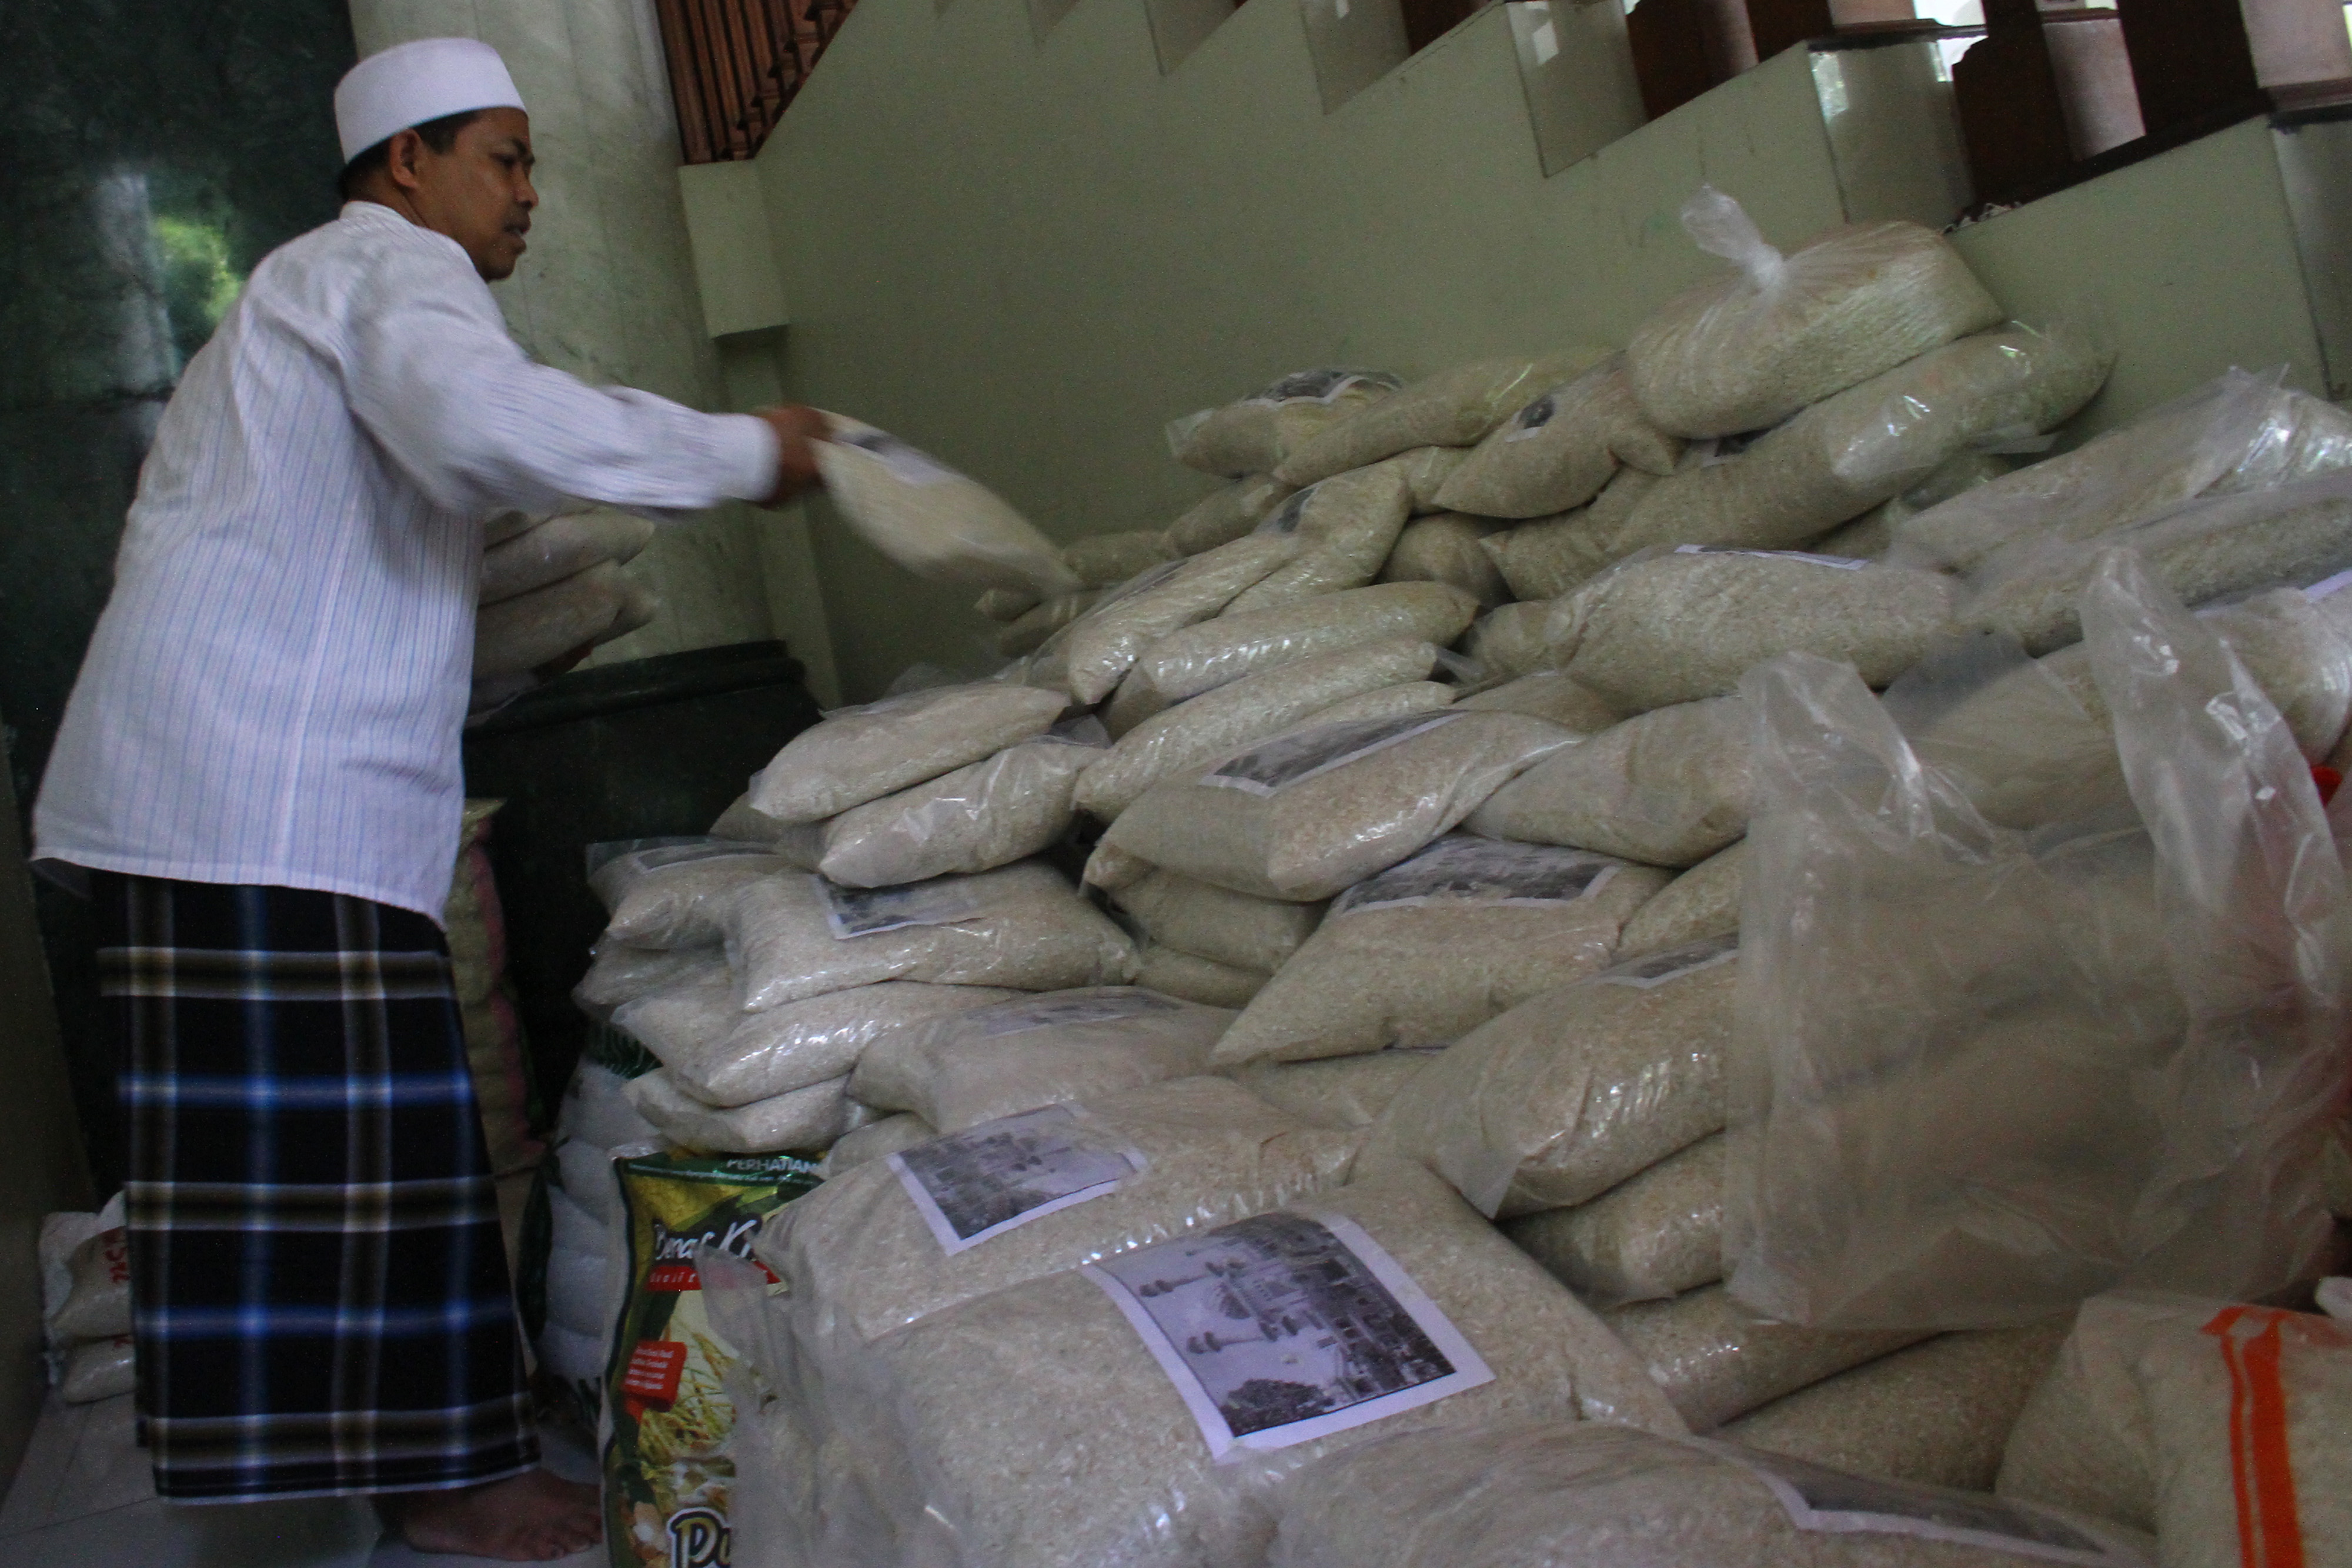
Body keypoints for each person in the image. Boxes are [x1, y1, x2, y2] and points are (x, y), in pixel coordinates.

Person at [31, 36, 827, 1562]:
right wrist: (739, 447)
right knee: (357, 1167)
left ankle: (419, 1464)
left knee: (374, 1155)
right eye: (506, 159)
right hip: (249, 801)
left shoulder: (314, 300)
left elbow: (375, 564)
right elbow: (492, 425)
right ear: (409, 162)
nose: (530, 197)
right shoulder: (385, 268)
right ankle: (444, 1479)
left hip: (239, 798)